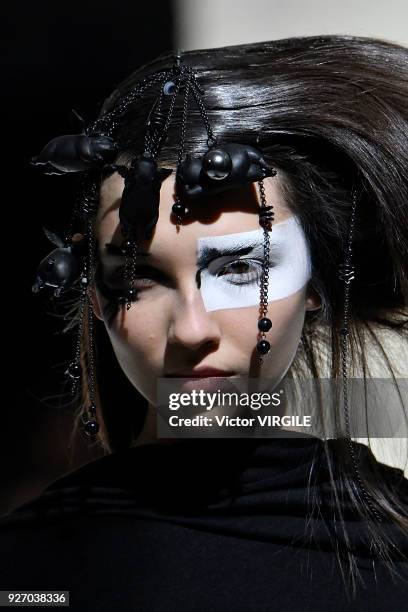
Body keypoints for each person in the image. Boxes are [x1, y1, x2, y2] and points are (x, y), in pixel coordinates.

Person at [0, 35, 407, 611]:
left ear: (315, 283)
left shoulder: (395, 552)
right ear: (93, 295)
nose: (192, 330)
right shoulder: (25, 578)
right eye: (140, 277)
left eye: (240, 267)